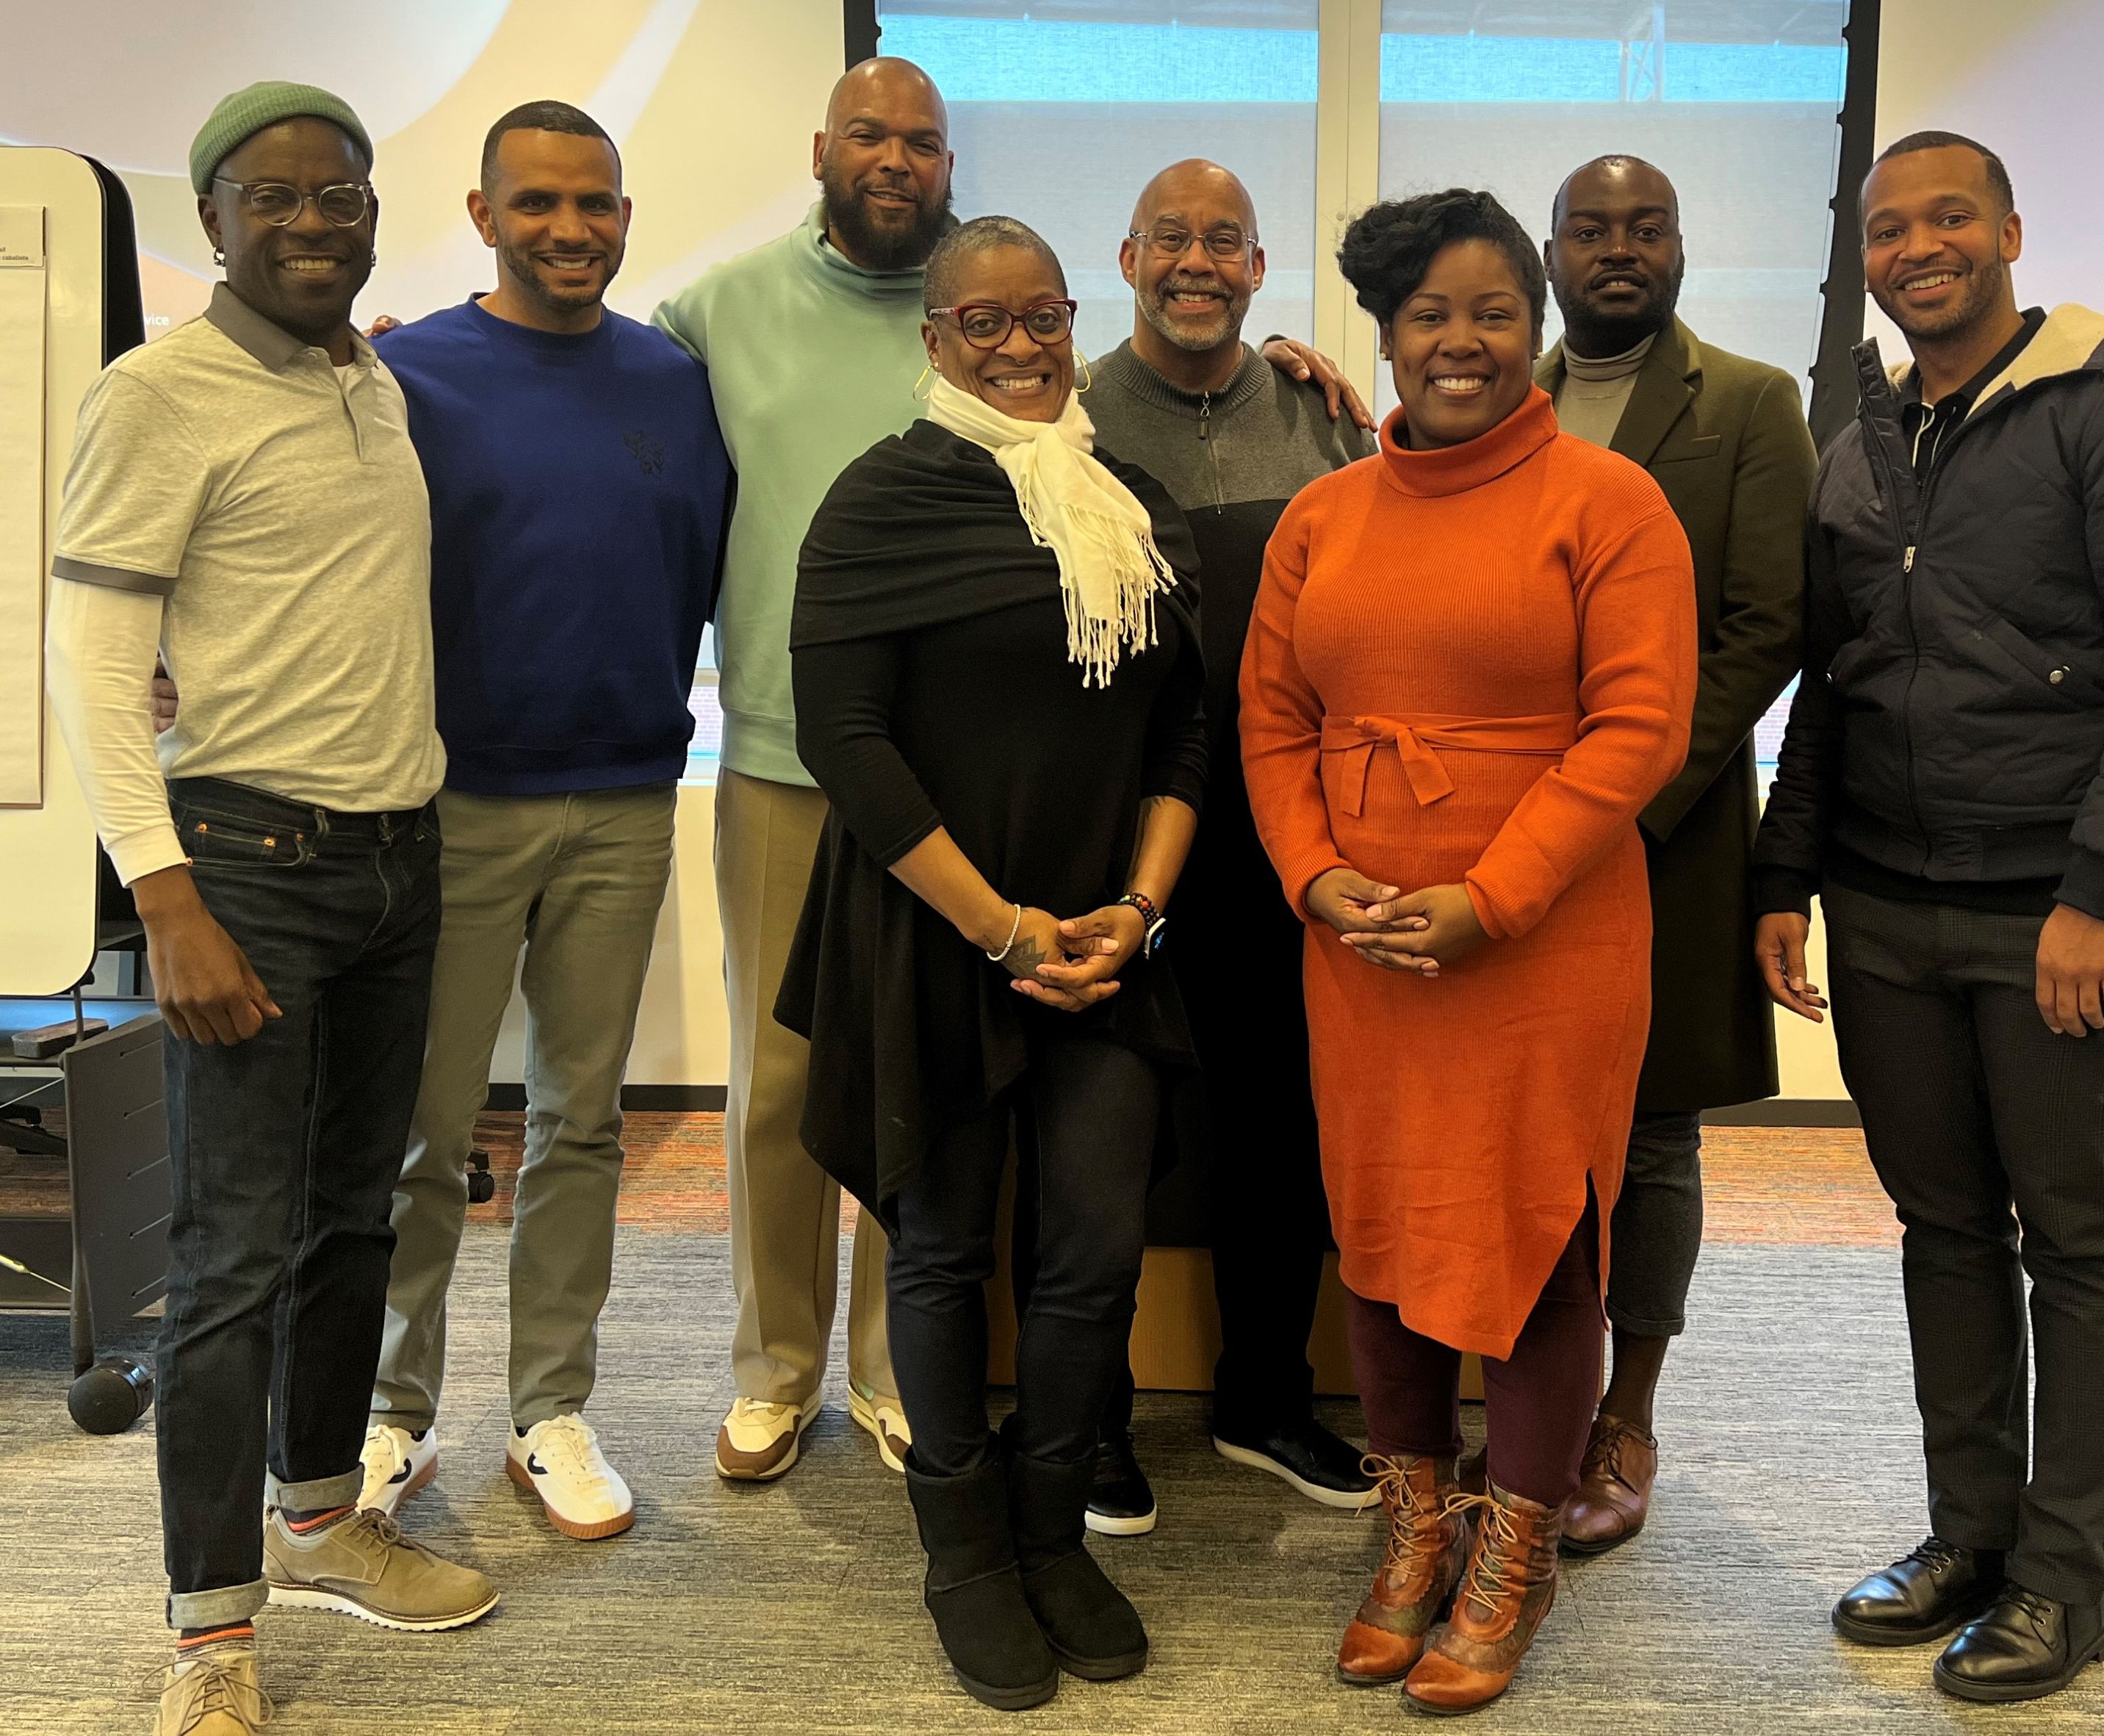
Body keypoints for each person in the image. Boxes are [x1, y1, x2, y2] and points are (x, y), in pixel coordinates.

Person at [652, 59, 1358, 1483]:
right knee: (883, 1117)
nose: (1017, 343)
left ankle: (1197, 1396)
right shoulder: (971, 411)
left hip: (1198, 829)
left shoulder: (1216, 429)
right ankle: (877, 1393)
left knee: (1224, 1117)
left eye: (1224, 240)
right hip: (919, 817)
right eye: (1173, 237)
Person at [1751, 132, 2104, 1703]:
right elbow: (1835, 690)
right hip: (1890, 910)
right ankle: (1967, 1539)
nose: (1917, 248)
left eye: (1949, 216)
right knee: (1943, 1234)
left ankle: (2066, 1585)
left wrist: (2099, 890)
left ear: (2013, 231)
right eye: (1890, 228)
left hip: (2066, 916)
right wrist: (1783, 877)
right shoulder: (1865, 437)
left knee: (2079, 1242)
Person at [43, 82, 497, 1736]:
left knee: (353, 1218)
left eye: (344, 194)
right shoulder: (158, 392)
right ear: (217, 216)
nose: (314, 222)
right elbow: (89, 664)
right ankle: (209, 1632)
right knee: (230, 1262)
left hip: (396, 859)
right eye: (276, 197)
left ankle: (318, 1516)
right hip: (244, 868)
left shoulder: (366, 377)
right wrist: (165, 899)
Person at [1239, 188, 1696, 1715]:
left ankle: (1517, 1541)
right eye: (1430, 314)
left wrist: (1491, 896)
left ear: (1536, 324)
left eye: (1493, 311)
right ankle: (1413, 1527)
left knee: (1540, 1236)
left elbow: (1637, 730)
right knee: (1380, 1233)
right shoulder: (1322, 516)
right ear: (1385, 331)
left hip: (1545, 935)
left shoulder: (1609, 501)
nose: (1462, 341)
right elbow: (1273, 719)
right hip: (1362, 938)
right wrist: (1312, 876)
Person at [777, 216, 1203, 1711]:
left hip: (1104, 946)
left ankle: (1048, 1527)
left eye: (1042, 318)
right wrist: (1003, 928)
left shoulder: (1128, 503)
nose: (1019, 349)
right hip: (935, 937)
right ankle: (960, 1548)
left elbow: (1179, 733)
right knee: (946, 1249)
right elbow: (849, 743)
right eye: (983, 324)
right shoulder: (882, 500)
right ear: (933, 340)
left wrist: (1134, 916)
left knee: (1090, 1254)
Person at [347, 103, 727, 1541]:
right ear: (483, 211)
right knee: (424, 1126)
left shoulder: (675, 383)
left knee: (585, 1121)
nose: (572, 229)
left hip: (626, 799)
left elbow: (696, 567)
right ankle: (392, 1415)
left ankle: (550, 1411)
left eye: (598, 204)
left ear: (626, 216)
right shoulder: (408, 373)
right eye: (541, 204)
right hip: (453, 806)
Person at [1038, 157, 1374, 1535]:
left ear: (1256, 265)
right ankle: (1093, 1418)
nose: (1196, 262)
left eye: (1223, 241)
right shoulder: (1062, 416)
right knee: (1105, 1137)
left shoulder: (1319, 415)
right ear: (1123, 257)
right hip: (1111, 836)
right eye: (1169, 238)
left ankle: (1261, 1397)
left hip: (1285, 830)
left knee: (1277, 1124)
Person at [1533, 155, 1813, 1553]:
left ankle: (1624, 1412)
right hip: (1505, 842)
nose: (1618, 251)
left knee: (1648, 1135)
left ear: (1681, 245)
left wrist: (1617, 798)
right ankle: (1526, 1399)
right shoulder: (1492, 396)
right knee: (1519, 1123)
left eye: (1645, 228)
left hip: (1667, 832)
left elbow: (1766, 622)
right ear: (1551, 250)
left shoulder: (1751, 404)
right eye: (1591, 230)